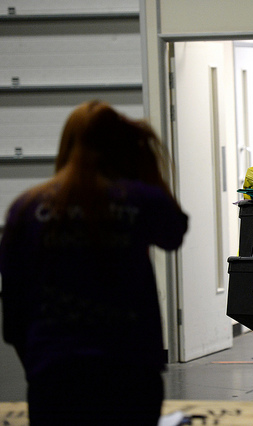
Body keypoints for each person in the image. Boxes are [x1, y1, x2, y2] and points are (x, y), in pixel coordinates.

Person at [0, 100, 188, 425]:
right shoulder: (140, 199)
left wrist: (36, 363)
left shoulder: (26, 207)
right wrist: (145, 164)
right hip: (130, 367)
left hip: (54, 368)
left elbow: (14, 306)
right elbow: (173, 232)